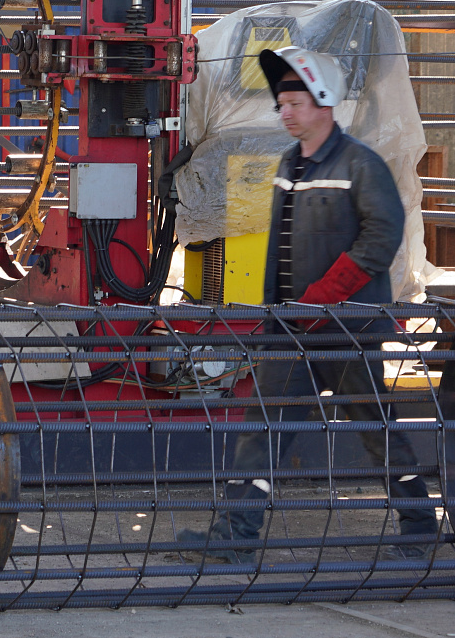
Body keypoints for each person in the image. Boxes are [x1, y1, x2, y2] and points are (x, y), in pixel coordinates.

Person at [177, 46, 438, 567]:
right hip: (293, 329)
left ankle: (419, 527)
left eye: (295, 102)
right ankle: (235, 536)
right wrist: (275, 317)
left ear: (324, 101)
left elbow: (381, 237)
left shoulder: (360, 165)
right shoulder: (288, 165)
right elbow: (280, 249)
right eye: (281, 104)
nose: (285, 112)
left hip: (347, 329)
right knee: (261, 430)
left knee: (376, 429)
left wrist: (322, 297)